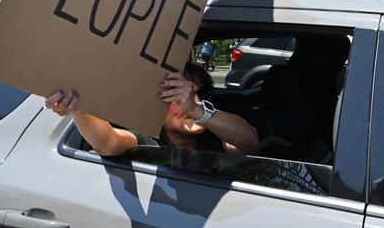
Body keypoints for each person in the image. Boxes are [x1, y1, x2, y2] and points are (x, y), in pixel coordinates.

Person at [45, 63, 260, 157]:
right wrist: (78, 110)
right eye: (174, 96)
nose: (189, 101)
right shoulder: (149, 142)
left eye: (194, 94)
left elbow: (249, 140)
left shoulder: (214, 137)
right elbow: (108, 143)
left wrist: (197, 110)